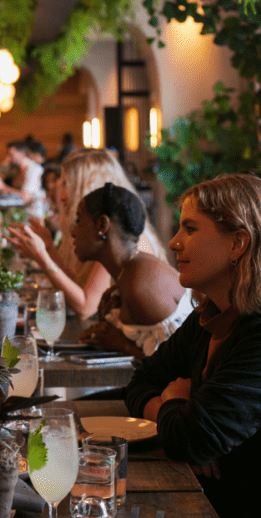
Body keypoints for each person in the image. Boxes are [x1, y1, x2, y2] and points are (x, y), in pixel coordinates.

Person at [125, 173, 261, 518]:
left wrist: (176, 410)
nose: (173, 242)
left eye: (190, 228)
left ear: (237, 243)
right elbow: (140, 383)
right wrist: (177, 414)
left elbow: (190, 436)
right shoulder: (209, 317)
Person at [6, 148, 167, 320]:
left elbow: (86, 307)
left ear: (89, 187)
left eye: (66, 182)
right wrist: (49, 248)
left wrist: (43, 258)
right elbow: (80, 284)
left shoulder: (121, 236)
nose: (59, 192)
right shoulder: (99, 231)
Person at [73, 183, 191, 358]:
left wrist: (121, 344)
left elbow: (184, 364)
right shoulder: (127, 272)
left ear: (102, 225)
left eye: (79, 220)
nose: (73, 231)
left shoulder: (142, 285)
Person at [0, 140, 45, 217]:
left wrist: (3, 187)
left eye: (10, 155)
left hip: (32, 215)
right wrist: (2, 169)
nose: (8, 158)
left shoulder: (34, 169)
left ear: (21, 154)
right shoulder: (17, 169)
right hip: (19, 212)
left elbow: (26, 197)